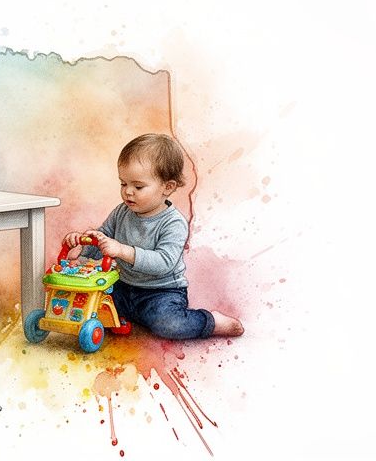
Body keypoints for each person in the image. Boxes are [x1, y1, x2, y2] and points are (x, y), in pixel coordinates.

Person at [62, 133, 244, 339]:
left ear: (168, 187)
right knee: (86, 303)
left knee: (169, 325)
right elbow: (104, 238)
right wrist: (85, 244)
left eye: (138, 186)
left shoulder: (173, 223)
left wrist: (122, 251)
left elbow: (163, 262)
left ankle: (210, 322)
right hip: (121, 286)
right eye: (123, 184)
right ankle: (128, 315)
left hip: (160, 293)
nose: (128, 192)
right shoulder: (121, 211)